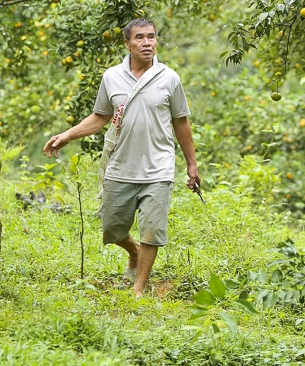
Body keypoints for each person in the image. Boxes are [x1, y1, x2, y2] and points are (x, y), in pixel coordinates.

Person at [43, 17, 200, 298]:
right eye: (139, 38)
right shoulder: (112, 77)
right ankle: (134, 252)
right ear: (127, 44)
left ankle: (138, 288)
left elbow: (181, 122)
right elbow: (101, 116)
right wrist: (68, 135)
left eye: (151, 37)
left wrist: (191, 164)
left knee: (151, 231)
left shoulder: (169, 78)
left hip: (158, 167)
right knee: (112, 228)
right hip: (120, 165)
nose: (147, 42)